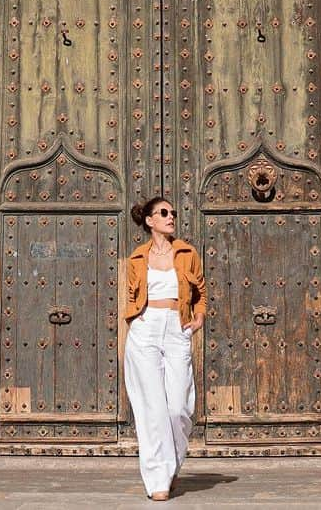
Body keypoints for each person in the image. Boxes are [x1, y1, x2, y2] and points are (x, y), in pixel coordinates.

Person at [123, 196, 206, 501]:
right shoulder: (137, 258)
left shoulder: (187, 253)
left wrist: (198, 319)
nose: (171, 217)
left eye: (173, 212)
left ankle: (171, 467)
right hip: (145, 330)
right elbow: (132, 297)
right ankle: (158, 478)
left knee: (178, 409)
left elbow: (201, 292)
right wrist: (135, 320)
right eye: (164, 213)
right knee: (153, 409)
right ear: (149, 221)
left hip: (176, 327)